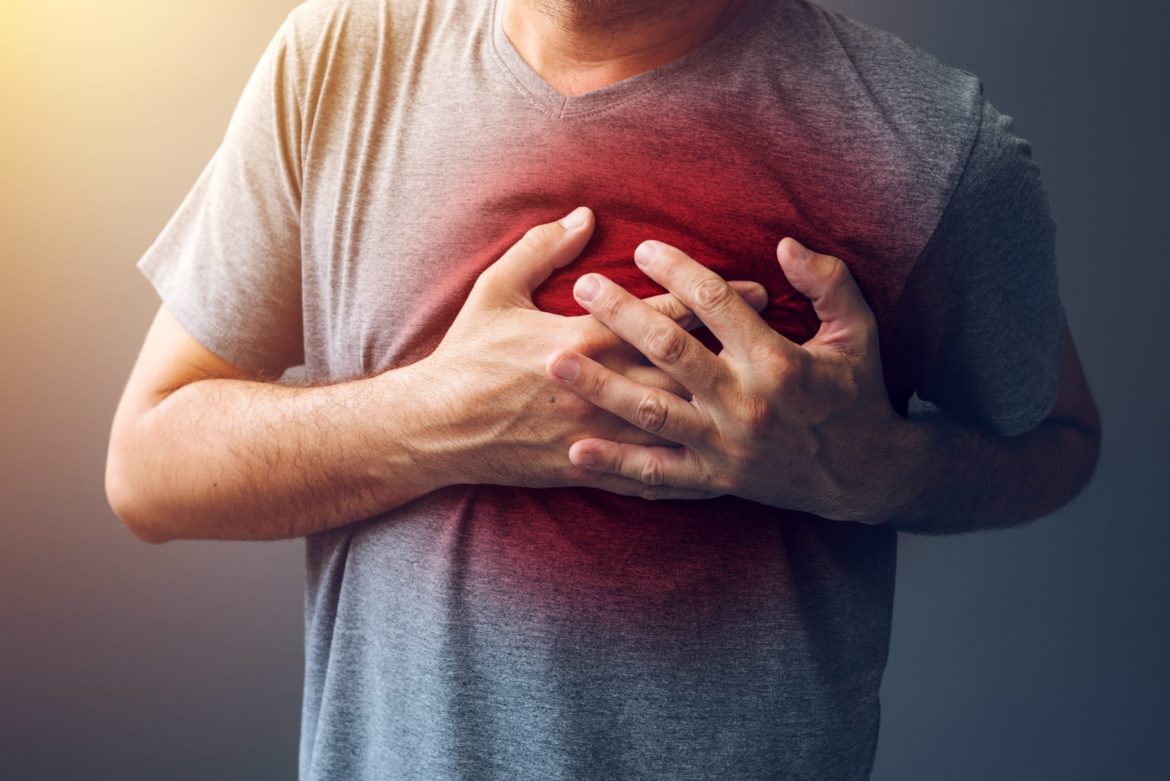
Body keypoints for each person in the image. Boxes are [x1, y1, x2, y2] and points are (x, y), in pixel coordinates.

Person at [105, 0, 1101, 777]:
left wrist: (885, 469)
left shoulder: (931, 143)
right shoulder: (337, 62)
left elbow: (1060, 442)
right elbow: (150, 468)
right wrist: (438, 416)